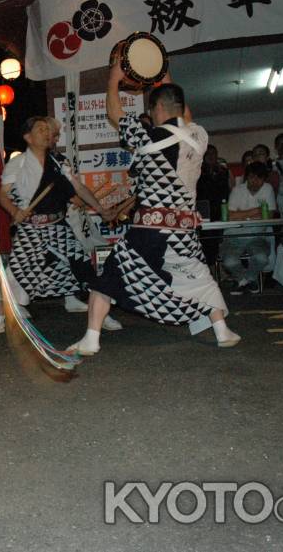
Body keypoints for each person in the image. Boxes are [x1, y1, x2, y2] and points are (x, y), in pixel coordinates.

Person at [67, 64, 239, 355]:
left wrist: (114, 80)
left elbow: (114, 114)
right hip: (184, 228)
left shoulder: (148, 137)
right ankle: (222, 331)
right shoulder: (198, 138)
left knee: (109, 275)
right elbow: (186, 116)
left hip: (151, 228)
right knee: (198, 276)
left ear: (158, 108)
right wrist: (163, 76)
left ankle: (91, 339)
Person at [0, 117, 122, 336]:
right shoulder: (18, 163)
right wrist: (16, 211)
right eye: (40, 129)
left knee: (83, 268)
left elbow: (79, 189)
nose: (46, 133)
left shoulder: (58, 162)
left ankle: (102, 315)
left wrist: (100, 209)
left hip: (58, 227)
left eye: (48, 130)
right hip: (31, 229)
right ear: (28, 137)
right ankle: (0, 319)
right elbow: (3, 196)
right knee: (13, 274)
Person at [220, 161, 276, 295]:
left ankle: (246, 280)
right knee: (229, 261)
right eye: (252, 177)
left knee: (262, 258)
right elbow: (230, 216)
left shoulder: (268, 188)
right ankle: (244, 280)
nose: (255, 181)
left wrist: (242, 214)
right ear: (246, 177)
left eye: (259, 178)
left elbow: (268, 215)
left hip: (257, 235)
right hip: (233, 235)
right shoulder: (237, 190)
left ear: (264, 179)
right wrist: (256, 211)